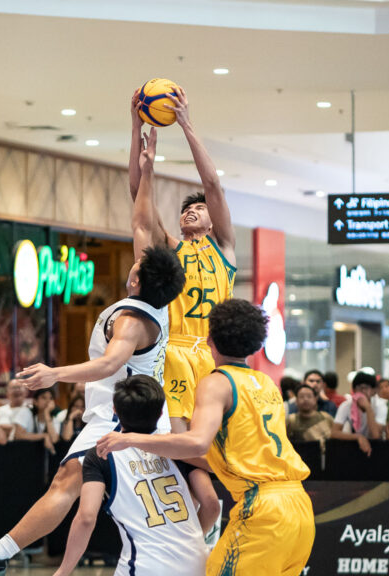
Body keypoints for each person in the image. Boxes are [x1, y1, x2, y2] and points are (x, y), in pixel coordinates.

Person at [0, 237, 185, 570]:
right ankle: (5, 557)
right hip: (137, 413)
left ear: (136, 280)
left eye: (139, 263)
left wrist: (54, 373)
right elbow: (142, 229)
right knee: (90, 492)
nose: (135, 260)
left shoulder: (131, 321)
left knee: (68, 484)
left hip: (122, 417)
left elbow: (109, 364)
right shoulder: (159, 303)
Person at [97, 299, 314, 576]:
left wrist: (132, 440)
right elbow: (224, 458)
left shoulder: (216, 382)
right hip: (299, 506)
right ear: (257, 343)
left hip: (263, 509)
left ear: (209, 338)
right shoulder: (267, 384)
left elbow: (197, 443)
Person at [126, 94, 228, 540]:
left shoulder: (224, 250)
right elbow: (139, 204)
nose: (193, 209)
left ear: (212, 221)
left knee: (210, 484)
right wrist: (138, 137)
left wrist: (187, 125)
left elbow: (214, 186)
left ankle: (199, 535)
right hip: (176, 352)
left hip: (214, 357)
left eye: (199, 208)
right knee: (186, 447)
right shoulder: (172, 250)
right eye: (187, 207)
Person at [53, 375, 206, 576]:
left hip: (145, 564)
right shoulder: (177, 447)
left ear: (114, 410)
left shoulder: (101, 454)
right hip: (197, 561)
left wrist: (63, 571)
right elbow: (211, 504)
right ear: (161, 412)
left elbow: (86, 518)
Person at [331, 372, 387, 456]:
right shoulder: (346, 405)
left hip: (378, 447)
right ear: (354, 390)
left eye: (366, 388)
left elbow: (376, 435)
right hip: (355, 446)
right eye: (359, 388)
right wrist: (358, 436)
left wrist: (368, 408)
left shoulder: (380, 405)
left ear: (373, 391)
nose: (362, 391)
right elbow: (334, 433)